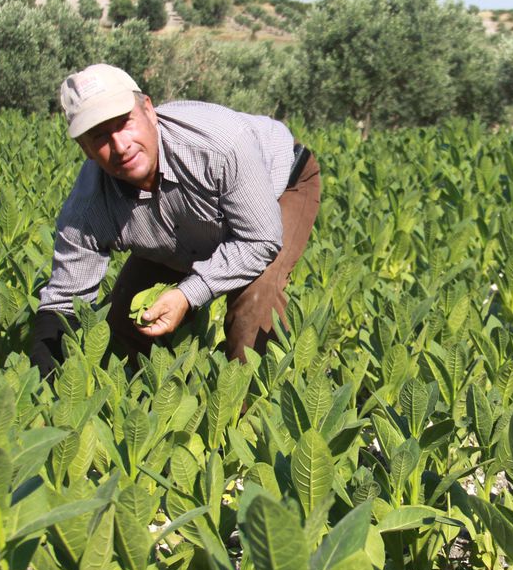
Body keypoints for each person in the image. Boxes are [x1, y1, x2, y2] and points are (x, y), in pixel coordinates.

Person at [30, 63, 321, 374]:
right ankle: (146, 411)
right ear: (84, 148)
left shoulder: (219, 145)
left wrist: (187, 293)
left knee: (254, 303)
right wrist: (43, 389)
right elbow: (63, 304)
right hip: (184, 225)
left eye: (124, 123)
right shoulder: (88, 209)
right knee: (124, 319)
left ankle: (250, 414)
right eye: (99, 136)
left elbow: (260, 241)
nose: (120, 145)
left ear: (149, 110)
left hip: (278, 187)